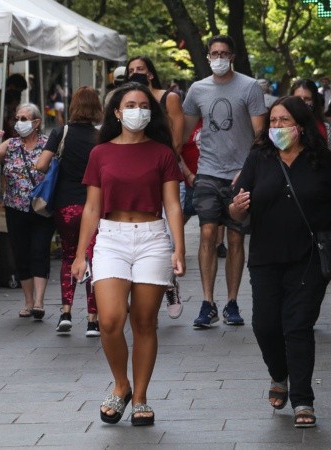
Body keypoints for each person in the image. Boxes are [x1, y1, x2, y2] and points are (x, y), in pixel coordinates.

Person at [229, 95, 331, 428]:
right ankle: (279, 374)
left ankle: (303, 400)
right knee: (264, 325)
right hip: (266, 257)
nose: (277, 127)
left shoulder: (319, 159)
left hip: (309, 256)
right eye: (273, 122)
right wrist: (236, 207)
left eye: (284, 121)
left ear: (300, 125)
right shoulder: (258, 158)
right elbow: (235, 206)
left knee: (298, 325)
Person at [70, 82, 184, 426]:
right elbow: (91, 208)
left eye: (143, 104)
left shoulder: (162, 153)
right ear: (117, 113)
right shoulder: (100, 152)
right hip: (111, 238)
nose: (137, 110)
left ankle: (140, 397)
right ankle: (121, 384)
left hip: (151, 238)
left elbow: (173, 205)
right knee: (109, 319)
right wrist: (79, 255)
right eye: (130, 104)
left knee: (145, 321)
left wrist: (178, 247)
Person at [182, 34, 268, 328]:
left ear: (232, 57)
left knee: (235, 237)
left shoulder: (250, 87)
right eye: (214, 53)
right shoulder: (197, 90)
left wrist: (247, 170)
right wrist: (187, 172)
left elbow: (260, 135)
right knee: (207, 233)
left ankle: (231, 302)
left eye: (224, 53)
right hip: (207, 171)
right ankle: (207, 302)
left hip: (240, 174)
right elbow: (182, 136)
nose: (219, 58)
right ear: (208, 57)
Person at [34, 86, 102, 337]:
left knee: (69, 257)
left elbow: (41, 165)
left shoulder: (60, 132)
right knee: (92, 260)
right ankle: (93, 321)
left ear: (73, 106)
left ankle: (65, 313)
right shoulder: (101, 136)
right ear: (96, 108)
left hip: (66, 206)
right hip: (94, 207)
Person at [0, 103, 54, 320]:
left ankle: (39, 301)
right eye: (17, 118)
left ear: (36, 122)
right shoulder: (10, 144)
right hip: (15, 208)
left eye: (24, 119)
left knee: (39, 251)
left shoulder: (48, 144)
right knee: (21, 253)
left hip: (42, 208)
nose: (19, 123)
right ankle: (28, 301)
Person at [126, 55, 185, 319]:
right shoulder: (123, 100)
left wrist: (162, 164)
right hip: (132, 174)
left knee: (165, 232)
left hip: (163, 171)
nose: (136, 73)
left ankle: (169, 282)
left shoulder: (167, 98)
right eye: (131, 71)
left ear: (150, 73)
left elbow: (177, 139)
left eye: (140, 69)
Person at [290, 79, 331, 184]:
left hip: (320, 187)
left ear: (314, 101)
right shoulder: (280, 128)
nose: (302, 103)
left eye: (307, 99)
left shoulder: (326, 128)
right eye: (298, 98)